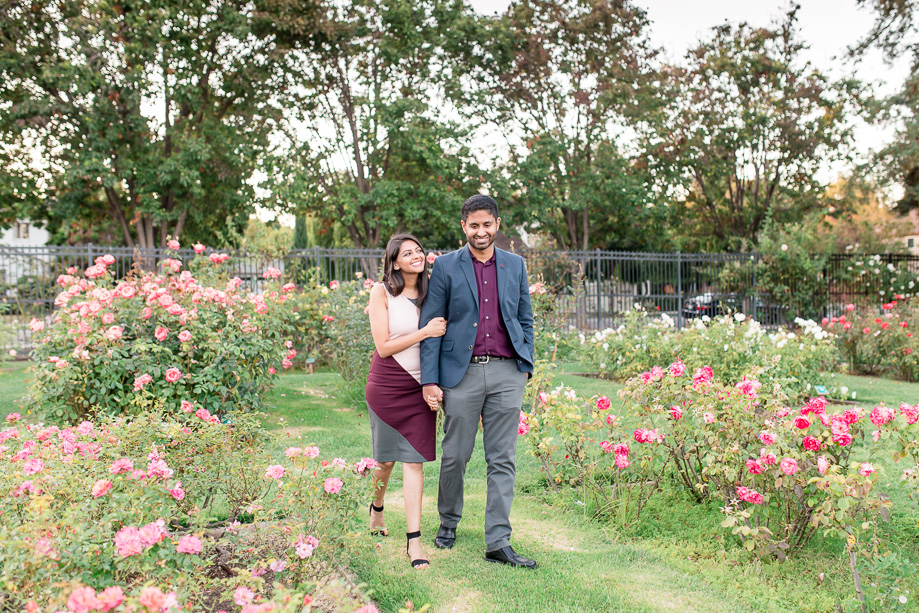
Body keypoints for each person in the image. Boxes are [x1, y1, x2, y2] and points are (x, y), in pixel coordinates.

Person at [419, 195, 537, 569]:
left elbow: (525, 317)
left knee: (502, 458)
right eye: (474, 225)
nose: (481, 231)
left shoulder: (515, 265)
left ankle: (498, 541)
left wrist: (526, 363)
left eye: (487, 224)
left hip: (507, 372)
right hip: (461, 373)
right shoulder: (445, 267)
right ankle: (448, 523)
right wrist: (429, 380)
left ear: (497, 224)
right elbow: (431, 326)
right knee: (456, 454)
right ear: (464, 227)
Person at [365, 233, 447, 569]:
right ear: (395, 263)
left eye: (419, 250)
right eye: (407, 253)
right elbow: (383, 347)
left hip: (421, 388)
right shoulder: (381, 292)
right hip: (386, 386)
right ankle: (377, 507)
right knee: (385, 462)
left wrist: (435, 383)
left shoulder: (433, 292)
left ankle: (414, 541)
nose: (416, 255)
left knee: (414, 463)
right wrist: (425, 331)